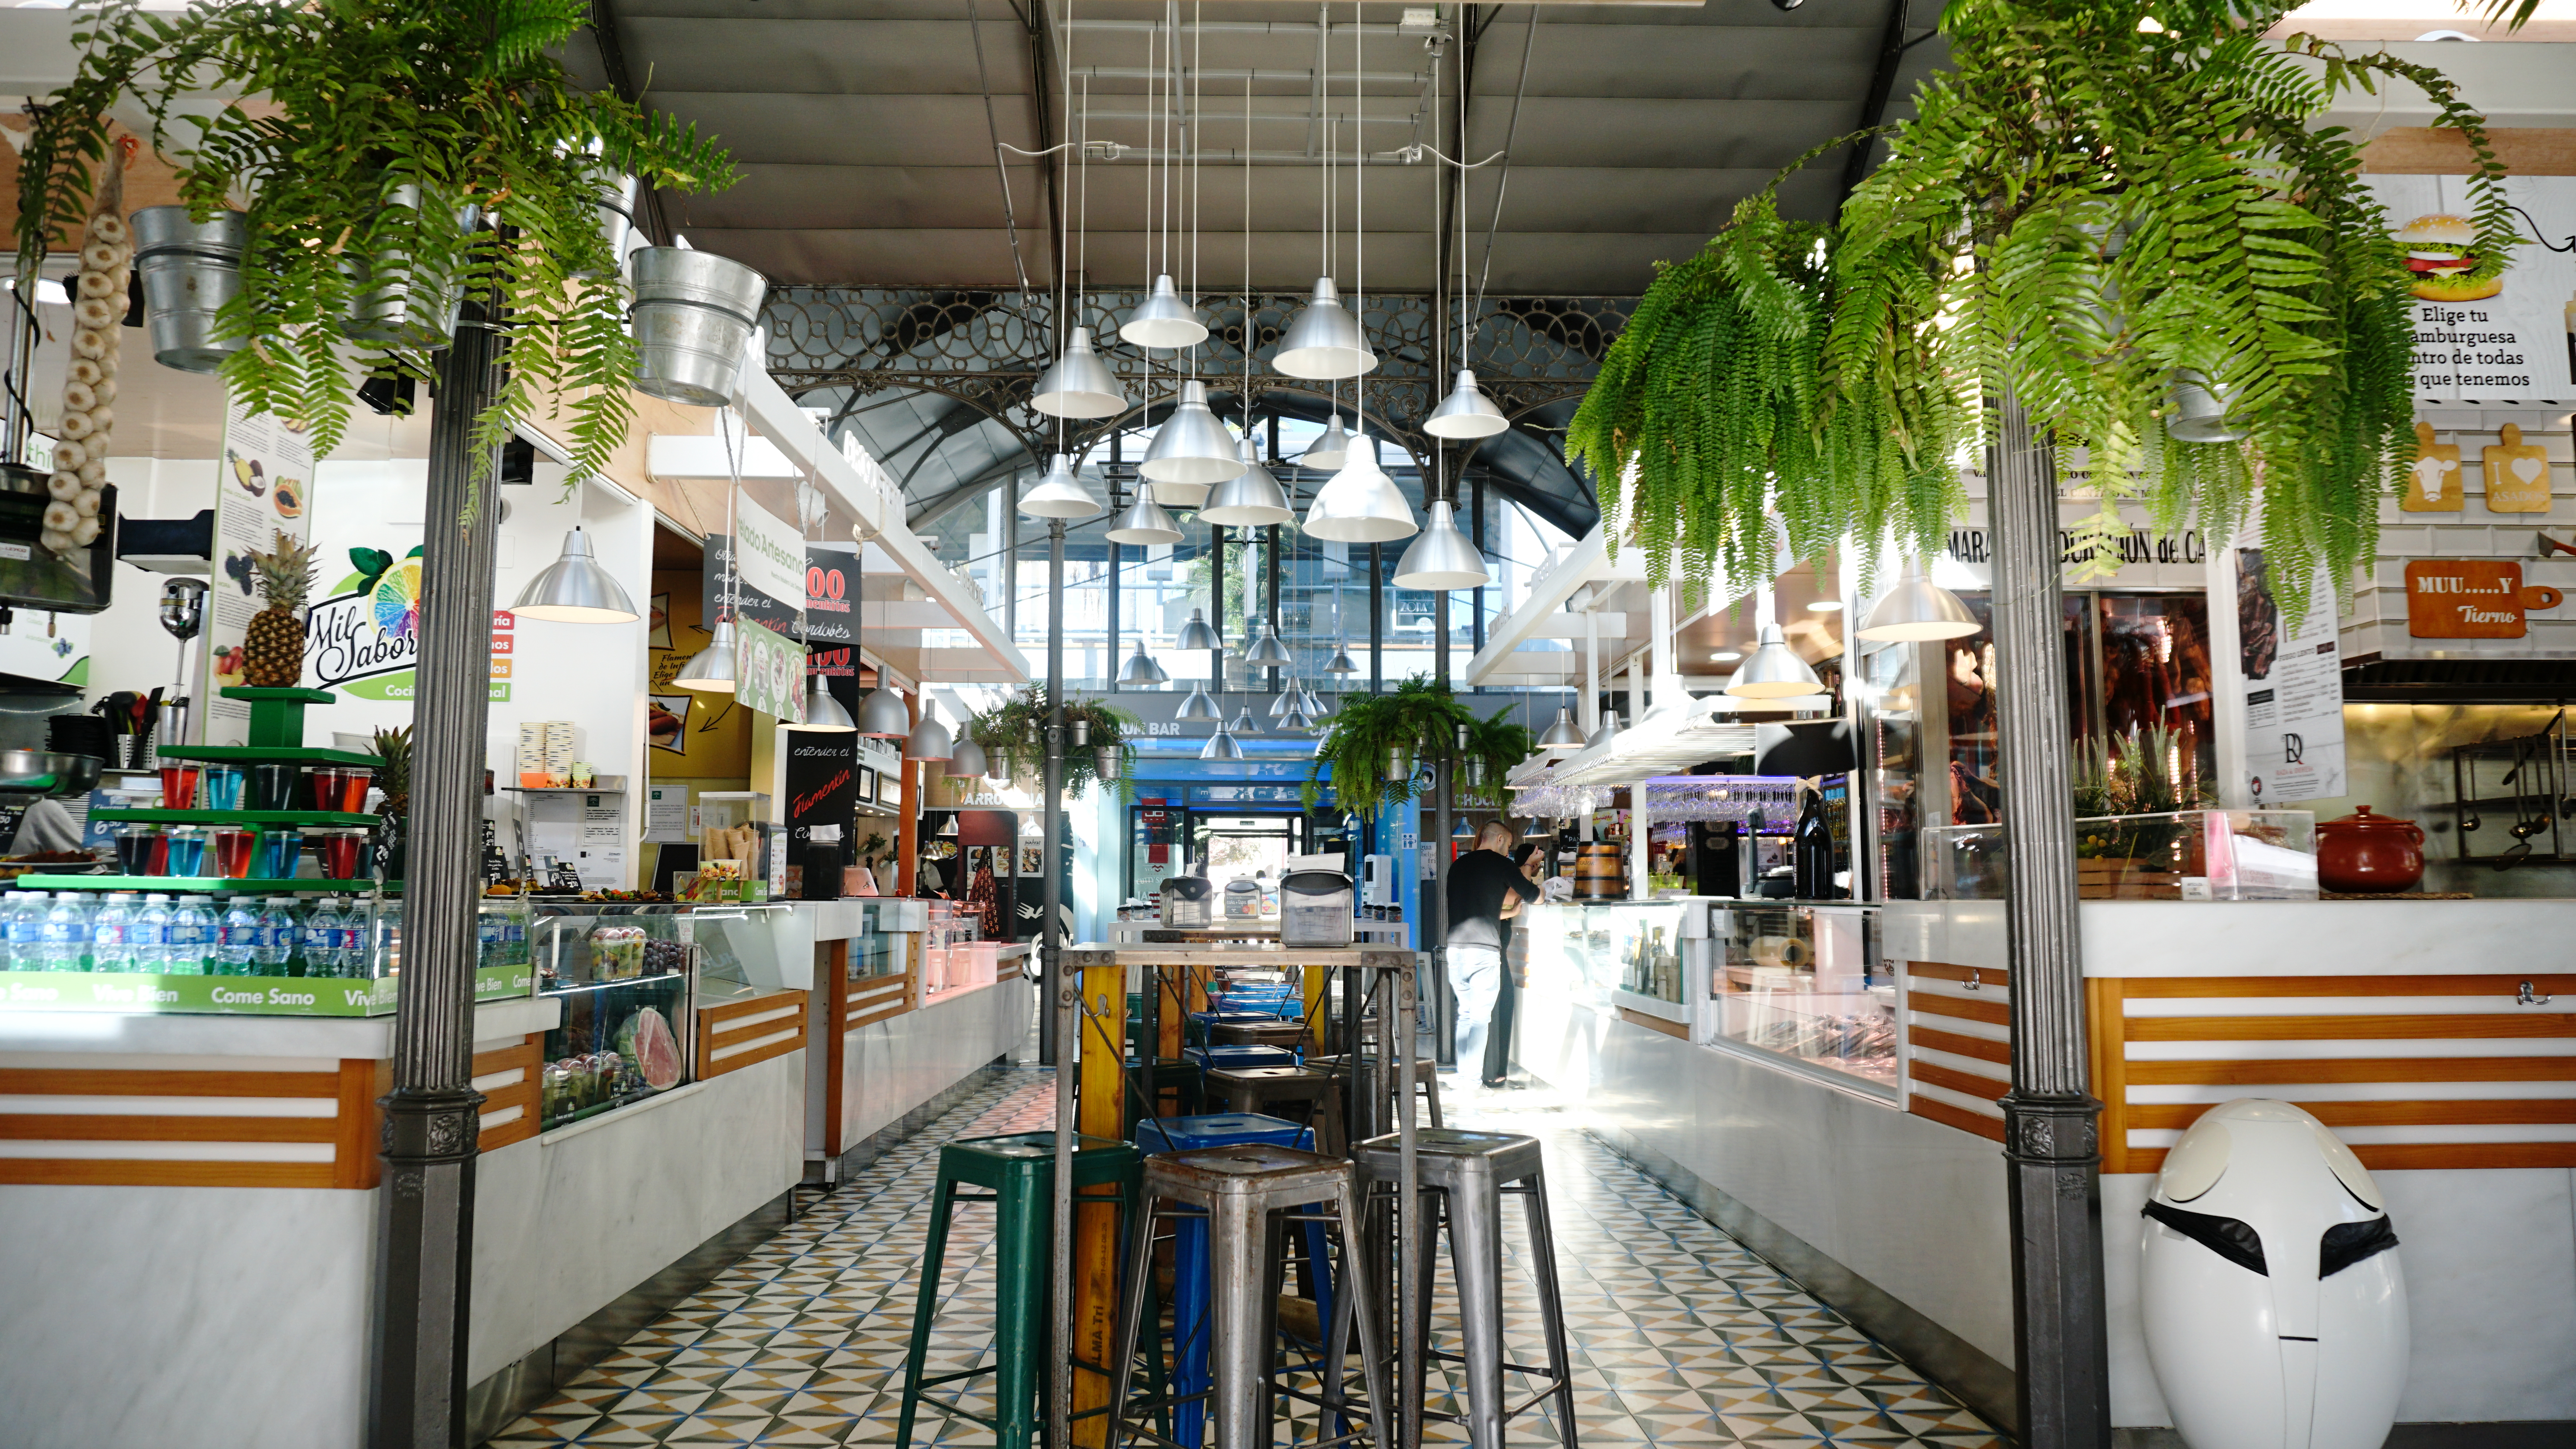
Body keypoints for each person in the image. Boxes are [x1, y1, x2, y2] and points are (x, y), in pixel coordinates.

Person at [1444, 819, 1538, 1088]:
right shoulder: (1501, 865)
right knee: (1479, 1019)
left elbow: (1477, 908)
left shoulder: (1457, 866)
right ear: (1499, 840)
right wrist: (1542, 893)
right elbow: (1531, 894)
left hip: (1456, 950)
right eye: (1509, 845)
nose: (1509, 851)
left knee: (1466, 1014)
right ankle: (1471, 1081)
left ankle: (1465, 1075)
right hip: (1484, 952)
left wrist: (1509, 912)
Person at [1483, 841, 1546, 1087]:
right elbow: (1521, 896)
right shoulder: (1509, 872)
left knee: (1492, 1009)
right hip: (1493, 950)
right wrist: (1529, 867)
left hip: (1495, 949)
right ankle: (1492, 1071)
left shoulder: (1502, 872)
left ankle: (1492, 1069)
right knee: (1496, 1007)